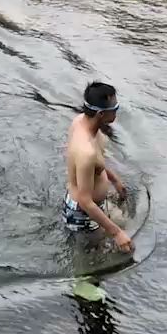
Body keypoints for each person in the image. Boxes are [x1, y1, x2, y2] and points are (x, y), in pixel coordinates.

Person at [63, 81, 132, 252]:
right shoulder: (85, 151)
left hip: (94, 204)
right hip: (83, 214)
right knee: (93, 261)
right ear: (101, 114)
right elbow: (85, 201)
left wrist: (115, 180)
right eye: (115, 108)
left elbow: (97, 163)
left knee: (123, 224)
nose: (117, 111)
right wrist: (117, 234)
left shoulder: (80, 121)